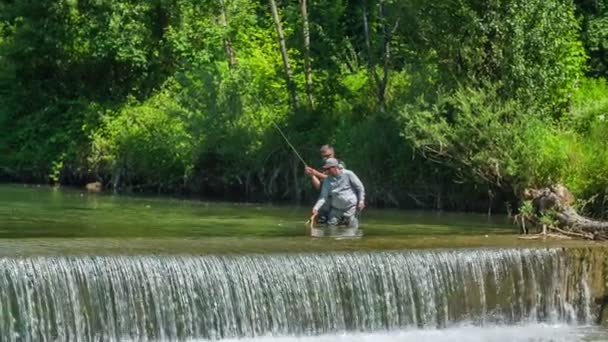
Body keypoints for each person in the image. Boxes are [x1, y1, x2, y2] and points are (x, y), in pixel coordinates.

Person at [312, 158, 365, 229]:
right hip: (336, 209)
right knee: (330, 228)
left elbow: (360, 187)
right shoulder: (327, 181)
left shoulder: (348, 174)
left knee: (351, 230)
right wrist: (316, 208)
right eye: (325, 169)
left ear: (334, 167)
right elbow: (323, 197)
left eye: (327, 169)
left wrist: (361, 200)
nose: (325, 171)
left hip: (350, 208)